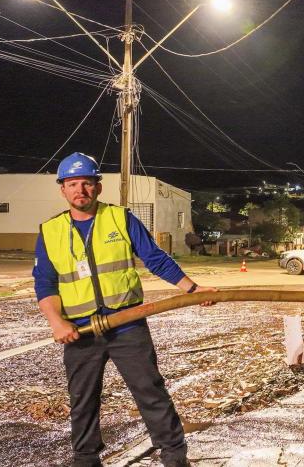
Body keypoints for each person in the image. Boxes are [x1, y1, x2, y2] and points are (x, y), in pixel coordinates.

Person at [33, 152, 217, 467]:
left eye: (87, 183)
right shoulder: (50, 231)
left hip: (127, 325)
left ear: (98, 187)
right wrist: (56, 322)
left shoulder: (121, 218)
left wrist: (192, 289)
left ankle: (174, 455)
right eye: (73, 184)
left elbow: (156, 259)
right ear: (62, 189)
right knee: (83, 399)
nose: (81, 191)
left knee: (150, 391)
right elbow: (45, 284)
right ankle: (86, 458)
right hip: (81, 331)